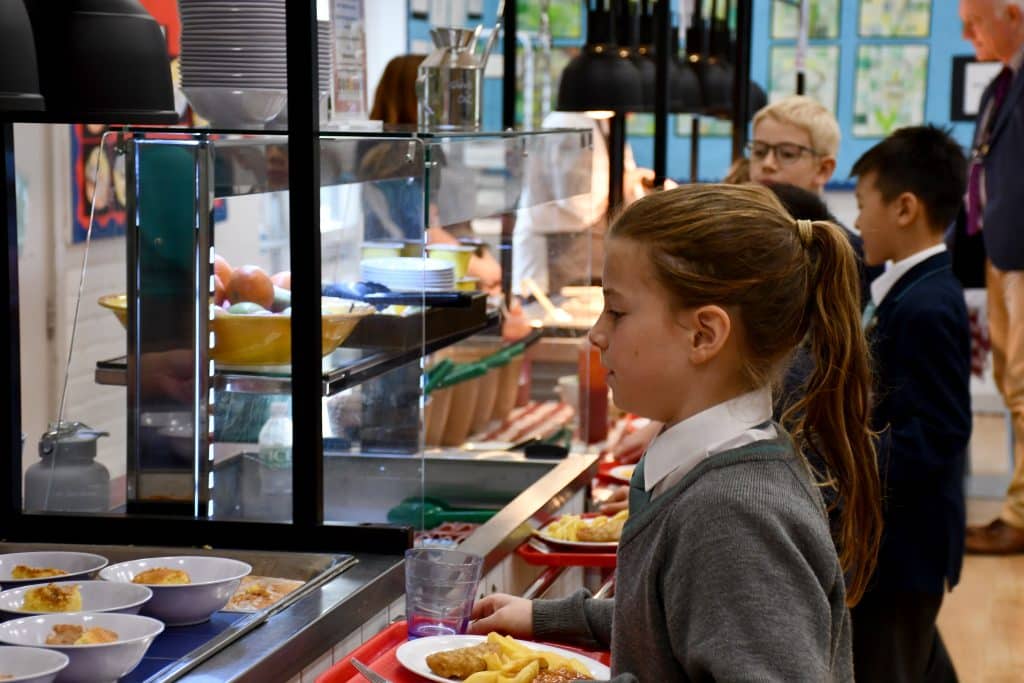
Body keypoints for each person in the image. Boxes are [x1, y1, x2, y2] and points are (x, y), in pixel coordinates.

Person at [471, 183, 883, 681]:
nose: (596, 333)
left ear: (704, 335)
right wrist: (551, 618)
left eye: (617, 311)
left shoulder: (732, 514)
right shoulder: (714, 471)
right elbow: (675, 616)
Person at [850, 125, 971, 682]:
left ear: (904, 208)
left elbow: (941, 433)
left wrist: (846, 455)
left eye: (862, 204)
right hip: (896, 546)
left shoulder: (926, 304)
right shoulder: (909, 289)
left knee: (890, 660)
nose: (857, 222)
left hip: (905, 550)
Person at [958, 0, 1024, 555]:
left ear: (1013, 16)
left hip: (1021, 256)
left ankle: (1021, 515)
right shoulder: (1000, 85)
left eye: (975, 22)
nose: (966, 34)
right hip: (1000, 253)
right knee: (1010, 382)